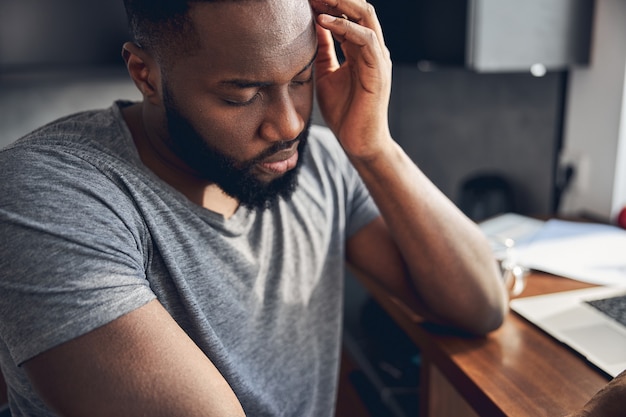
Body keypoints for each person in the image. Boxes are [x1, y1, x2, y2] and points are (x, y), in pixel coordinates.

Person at [0, 0, 508, 415]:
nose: (288, 126)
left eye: (302, 78)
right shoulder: (47, 191)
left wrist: (374, 148)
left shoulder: (320, 161)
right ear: (145, 74)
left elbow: (478, 305)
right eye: (244, 95)